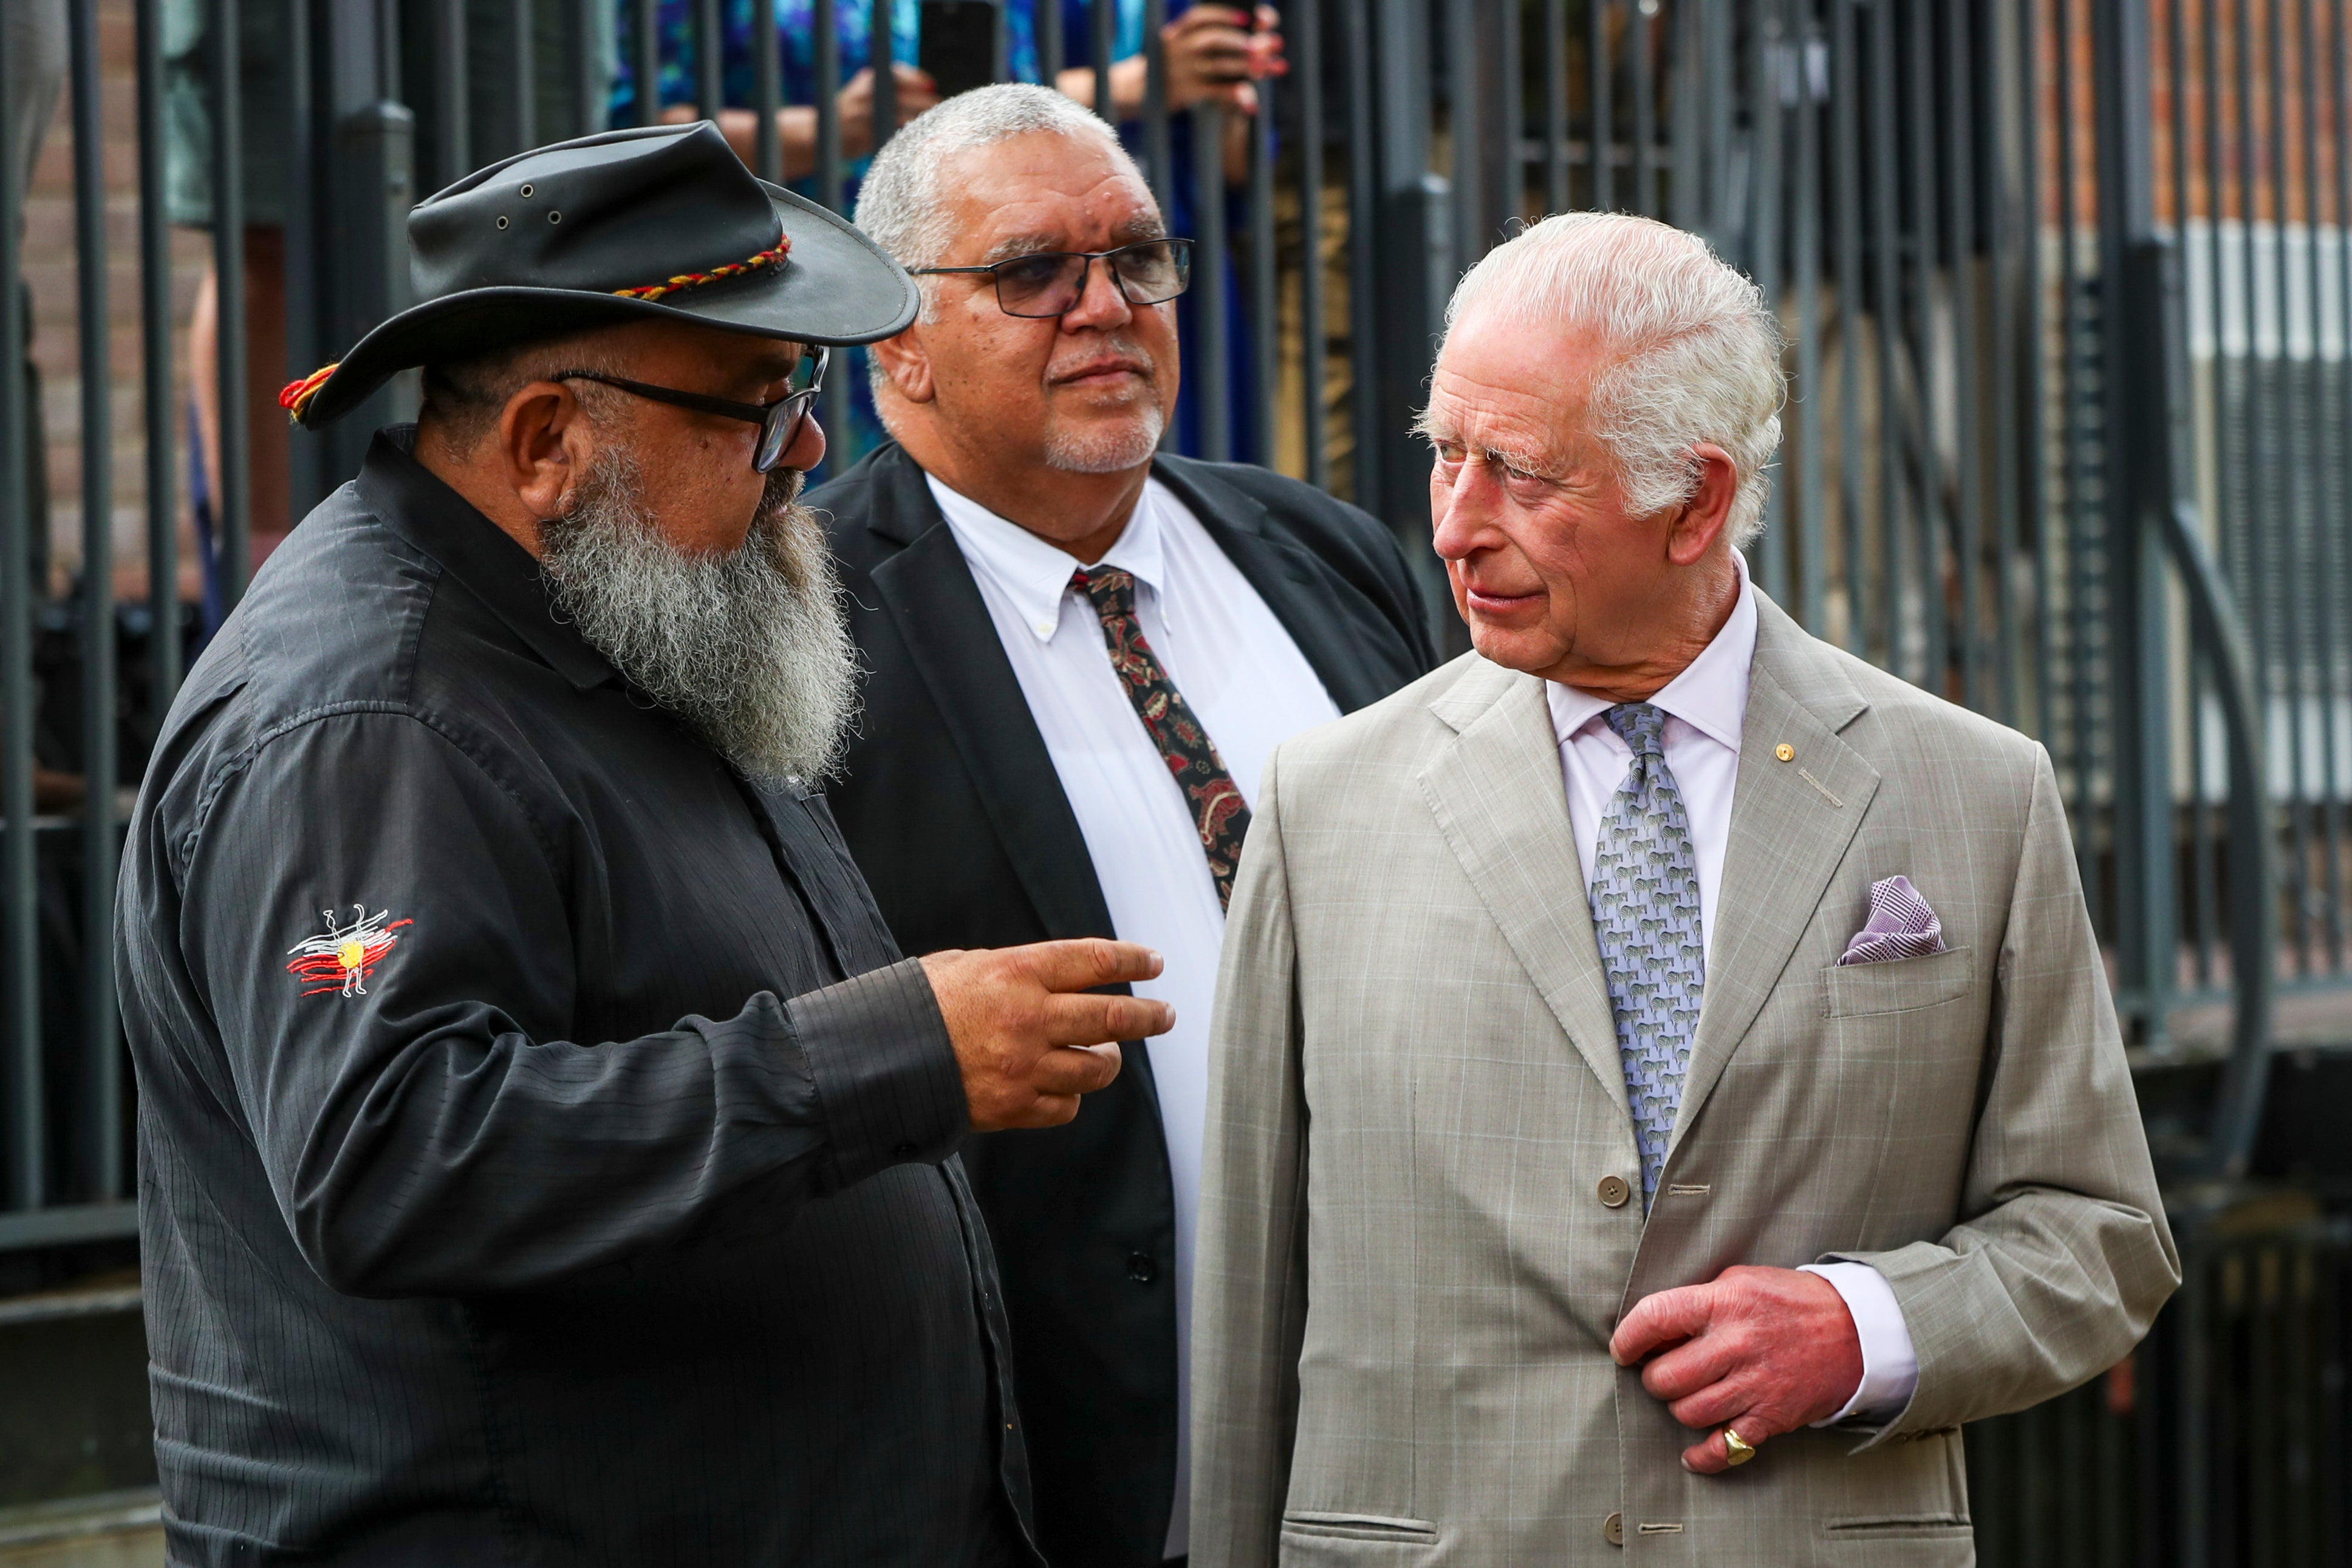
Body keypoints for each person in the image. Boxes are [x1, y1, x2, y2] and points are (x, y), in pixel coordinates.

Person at [117, 121, 1176, 1565]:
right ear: (550, 440)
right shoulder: (371, 717)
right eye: (754, 405)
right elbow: (396, 1155)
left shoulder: (623, 608)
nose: (808, 445)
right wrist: (890, 1055)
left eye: (798, 391)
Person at [1191, 212, 2180, 1562]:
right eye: (1446, 455)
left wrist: (1859, 1332)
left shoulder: (1974, 792)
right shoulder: (1322, 802)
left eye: (1522, 475)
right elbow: (1250, 1295)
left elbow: (2101, 1236)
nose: (1455, 528)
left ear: (1696, 501)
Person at [812, 84, 1430, 1567]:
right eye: (1034, 272)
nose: (1103, 306)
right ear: (895, 331)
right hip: (1064, 1472)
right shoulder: (805, 631)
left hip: (1421, 1433)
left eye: (1136, 260)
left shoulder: (1321, 554)